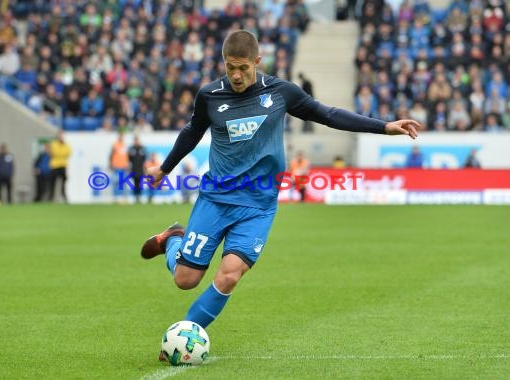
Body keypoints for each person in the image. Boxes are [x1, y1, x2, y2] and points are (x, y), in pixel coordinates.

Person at [140, 31, 419, 358]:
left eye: (243, 67)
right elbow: (191, 132)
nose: (237, 75)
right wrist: (164, 169)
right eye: (231, 68)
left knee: (230, 274)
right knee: (186, 279)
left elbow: (327, 114)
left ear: (258, 61)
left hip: (257, 206)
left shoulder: (280, 93)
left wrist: (383, 126)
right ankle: (173, 239)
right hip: (216, 199)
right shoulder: (209, 96)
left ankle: (183, 337)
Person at [49, 131, 72, 203]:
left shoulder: (67, 145)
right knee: (53, 183)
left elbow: (68, 153)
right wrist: (60, 154)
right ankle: (51, 198)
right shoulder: (53, 144)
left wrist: (59, 154)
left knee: (63, 183)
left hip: (63, 166)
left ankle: (64, 197)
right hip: (55, 166)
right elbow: (54, 153)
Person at [110, 132, 130, 200]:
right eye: (121, 136)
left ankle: (124, 198)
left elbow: (126, 156)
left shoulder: (124, 145)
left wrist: (127, 164)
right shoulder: (115, 145)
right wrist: (112, 164)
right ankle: (115, 198)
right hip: (116, 167)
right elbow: (111, 155)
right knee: (115, 182)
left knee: (124, 183)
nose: (122, 137)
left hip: (124, 167)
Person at [128, 136, 147, 203]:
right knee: (135, 183)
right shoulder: (131, 149)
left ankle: (139, 197)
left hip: (141, 169)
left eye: (137, 140)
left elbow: (145, 159)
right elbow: (129, 159)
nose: (136, 142)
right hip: (134, 169)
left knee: (140, 183)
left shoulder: (142, 148)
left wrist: (145, 169)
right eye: (135, 140)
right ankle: (136, 197)